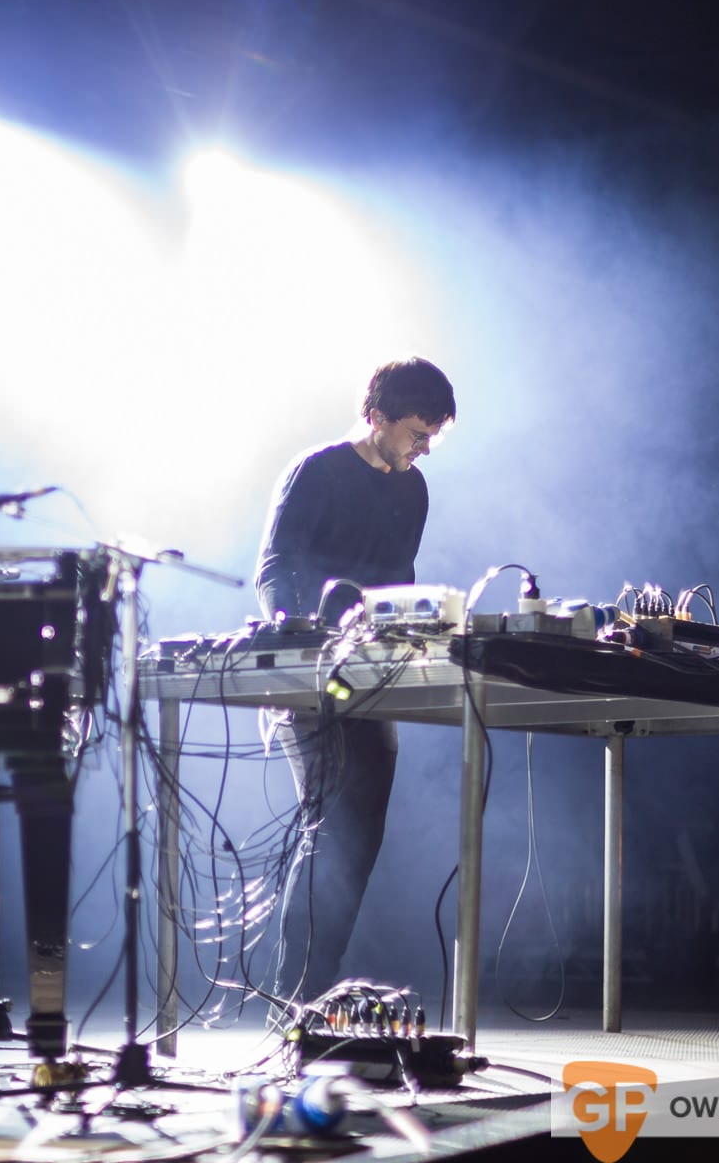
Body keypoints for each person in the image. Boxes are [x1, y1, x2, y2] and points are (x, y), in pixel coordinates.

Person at [253, 356, 456, 1001]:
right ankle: (295, 998)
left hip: (369, 679)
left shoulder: (413, 491)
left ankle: (308, 994)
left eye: (433, 437)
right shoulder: (317, 471)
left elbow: (399, 583)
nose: (424, 449)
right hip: (312, 677)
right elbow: (274, 565)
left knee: (359, 834)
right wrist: (292, 625)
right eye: (417, 434)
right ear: (376, 416)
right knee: (333, 829)